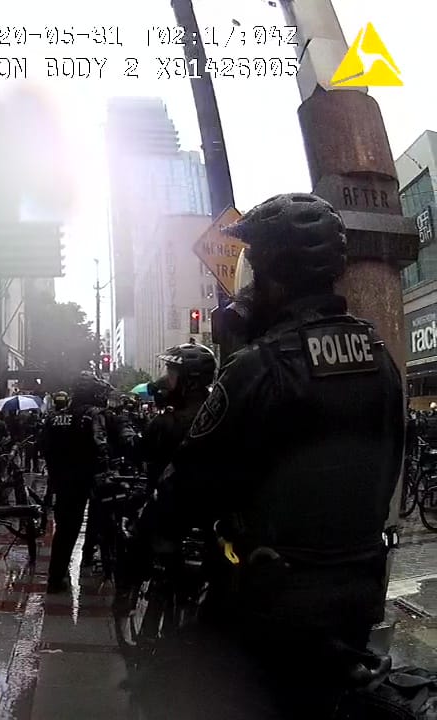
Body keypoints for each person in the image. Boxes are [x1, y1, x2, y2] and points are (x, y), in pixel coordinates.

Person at [141, 193, 403, 719]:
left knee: (186, 685)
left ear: (276, 277)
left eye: (254, 271)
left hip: (268, 601)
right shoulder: (380, 359)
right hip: (358, 593)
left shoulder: (259, 366)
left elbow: (191, 481)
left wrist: (150, 534)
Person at [38, 373, 112, 593]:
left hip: (62, 481)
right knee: (99, 520)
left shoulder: (54, 417)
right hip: (89, 478)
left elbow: (44, 446)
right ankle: (91, 557)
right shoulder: (93, 415)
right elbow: (103, 446)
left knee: (65, 530)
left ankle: (56, 576)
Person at [139, 343, 217, 488]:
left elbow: (139, 450)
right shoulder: (218, 412)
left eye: (170, 372)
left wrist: (121, 425)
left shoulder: (166, 423)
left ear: (188, 379)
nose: (164, 380)